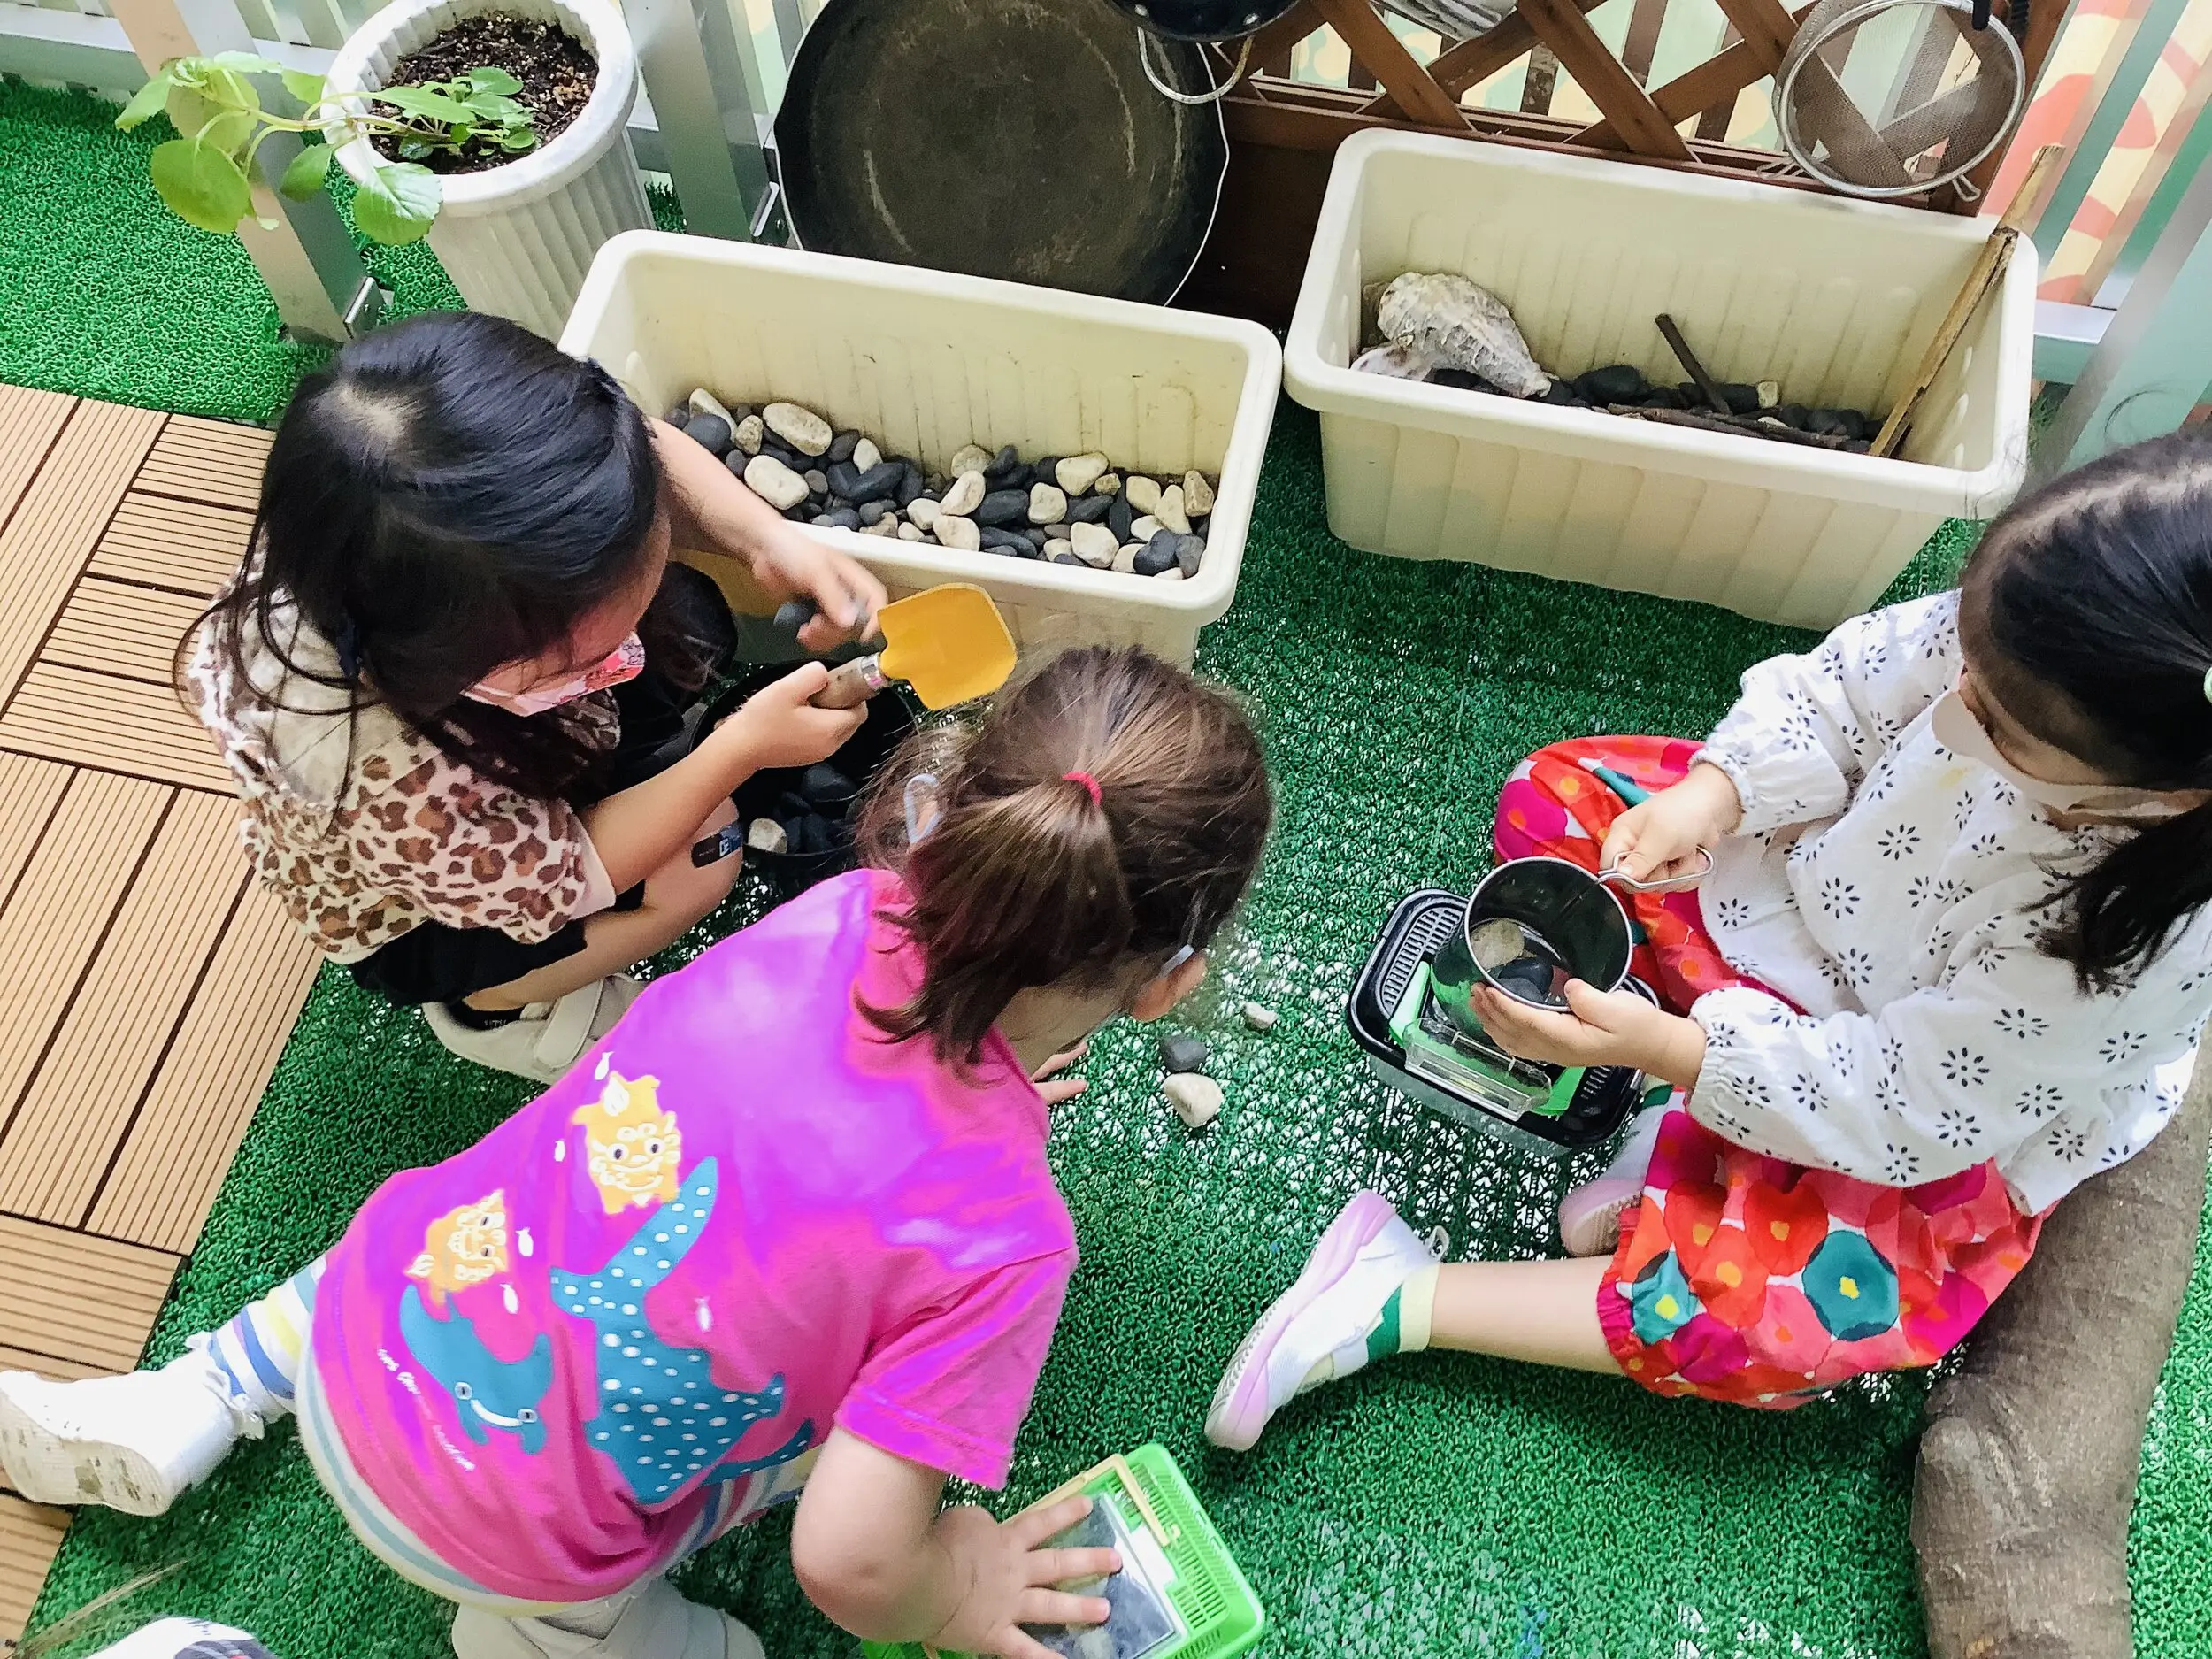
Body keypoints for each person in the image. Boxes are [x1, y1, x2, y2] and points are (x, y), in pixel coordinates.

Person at [3, 647, 1274, 1659]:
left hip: (370, 1319)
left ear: (948, 820)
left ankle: (192, 1398)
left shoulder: (840, 910)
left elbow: (819, 1104)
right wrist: (958, 1584)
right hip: (518, 1535)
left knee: (451, 1238)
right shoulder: (1007, 1239)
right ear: (1165, 983)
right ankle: (533, 1635)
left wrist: (982, 1082)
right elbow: (850, 1560)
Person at [1208, 432, 2212, 1444]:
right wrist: (1717, 793)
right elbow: (1838, 693)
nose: (1950, 713)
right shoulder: (2025, 625)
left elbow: (1903, 1103)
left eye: (1996, 731)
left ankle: (1402, 1293)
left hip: (1916, 1117)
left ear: (2167, 795)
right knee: (1551, 802)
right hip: (1798, 906)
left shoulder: (2126, 953)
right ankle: (1674, 1131)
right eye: (1963, 662)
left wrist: (1676, 1051)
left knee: (1777, 1320)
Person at [184, 310, 888, 1083]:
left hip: (522, 747)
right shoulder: (388, 785)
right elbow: (569, 871)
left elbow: (648, 451)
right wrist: (740, 748)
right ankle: (499, 1002)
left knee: (688, 633)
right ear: (447, 664)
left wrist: (766, 538)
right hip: (447, 905)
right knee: (701, 864)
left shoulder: (373, 543)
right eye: (587, 653)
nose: (622, 650)